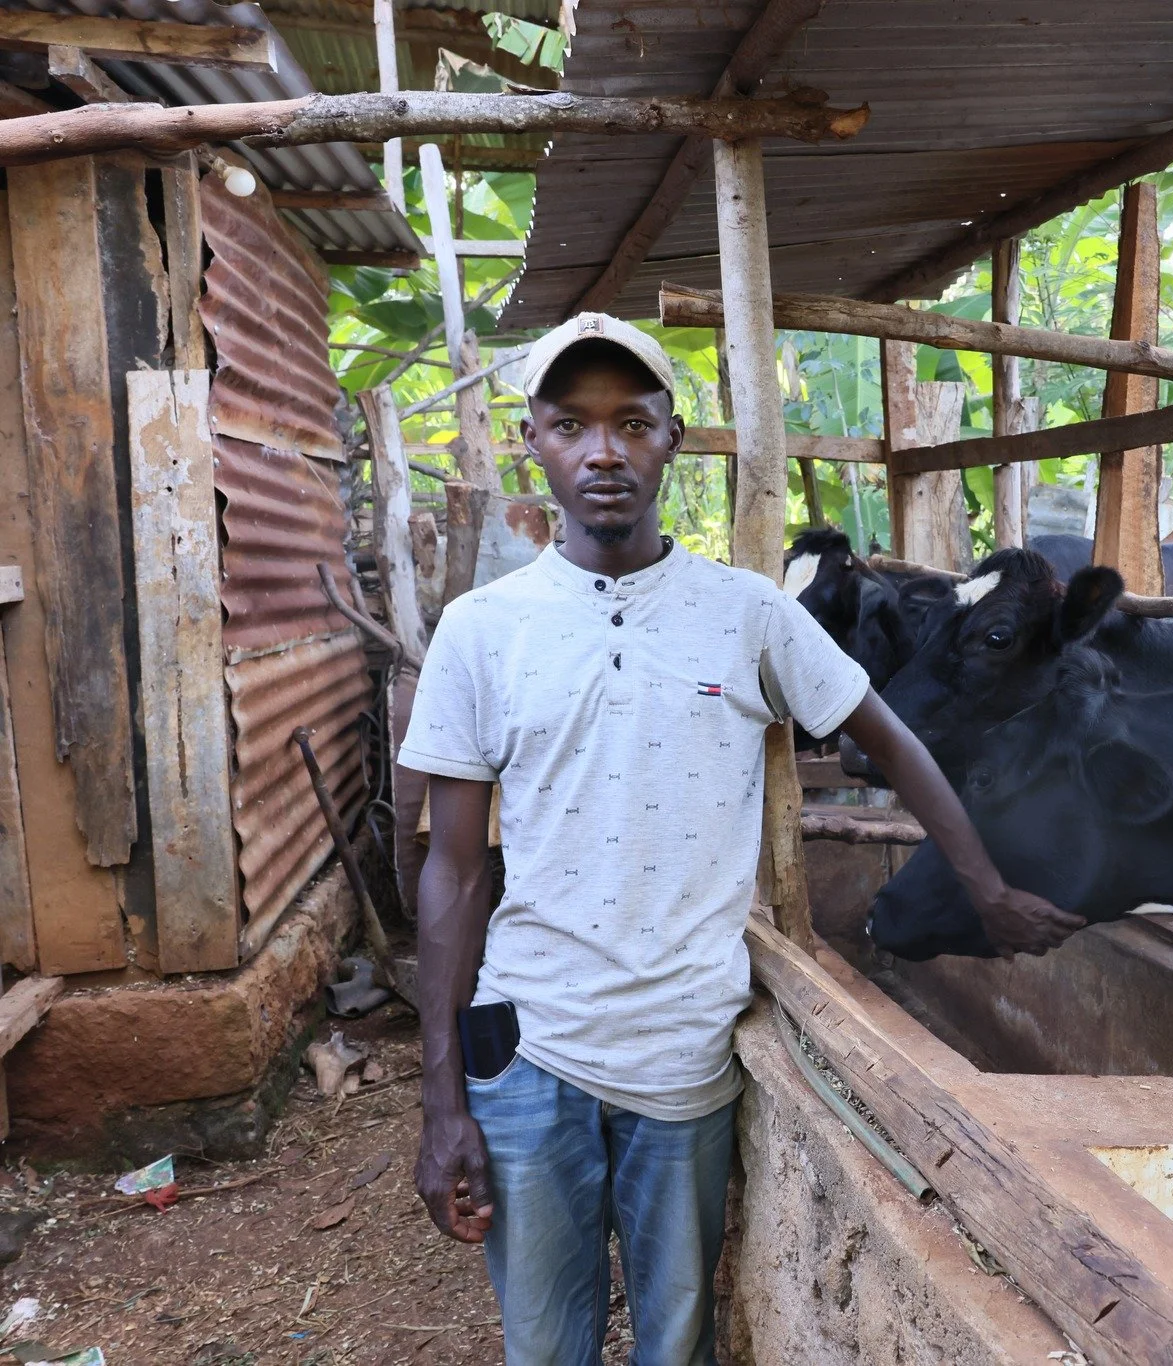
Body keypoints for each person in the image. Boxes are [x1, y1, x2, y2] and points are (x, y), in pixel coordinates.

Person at [400, 312, 1083, 1365]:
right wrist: (441, 1100)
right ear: (533, 437)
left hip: (683, 1049)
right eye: (572, 425)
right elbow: (451, 869)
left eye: (632, 423)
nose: (603, 451)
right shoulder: (483, 629)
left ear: (673, 438)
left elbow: (891, 741)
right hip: (529, 1046)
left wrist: (985, 887)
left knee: (676, 1342)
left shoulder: (745, 614)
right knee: (543, 1344)